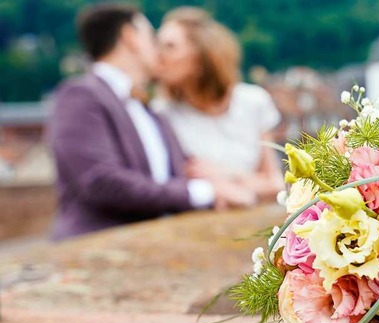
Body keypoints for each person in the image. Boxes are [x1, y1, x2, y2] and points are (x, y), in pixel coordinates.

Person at [47, 4, 250, 241]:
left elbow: (178, 176)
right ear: (130, 37)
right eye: (152, 37)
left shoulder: (151, 111)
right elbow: (100, 181)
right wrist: (204, 191)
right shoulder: (80, 94)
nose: (158, 49)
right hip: (96, 253)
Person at [153, 7, 284, 203]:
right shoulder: (162, 114)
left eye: (170, 46)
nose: (157, 56)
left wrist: (223, 175)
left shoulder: (254, 101)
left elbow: (276, 185)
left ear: (201, 56)